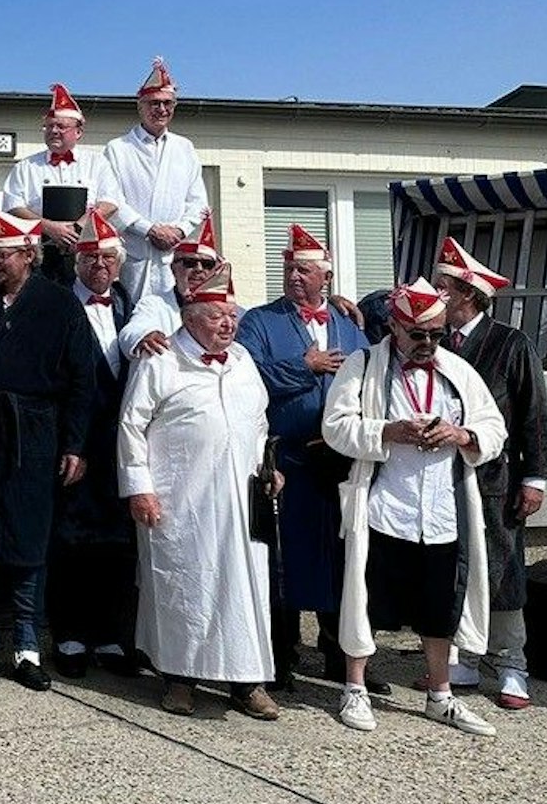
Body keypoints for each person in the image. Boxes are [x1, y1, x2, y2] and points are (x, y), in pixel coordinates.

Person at [323, 278, 508, 737]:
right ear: (394, 327)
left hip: (441, 512)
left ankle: (440, 696)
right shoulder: (362, 364)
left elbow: (494, 427)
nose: (428, 344)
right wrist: (387, 432)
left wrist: (462, 436)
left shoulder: (458, 371)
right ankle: (355, 689)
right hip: (385, 506)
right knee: (365, 601)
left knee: (438, 608)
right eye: (418, 335)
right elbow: (335, 426)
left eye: (437, 334)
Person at [119, 263, 281, 719]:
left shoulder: (244, 362)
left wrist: (269, 464)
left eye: (231, 315)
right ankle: (179, 679)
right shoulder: (162, 360)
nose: (228, 324)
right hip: (182, 499)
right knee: (187, 586)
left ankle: (247, 682)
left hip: (242, 497)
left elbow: (260, 419)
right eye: (216, 316)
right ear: (190, 318)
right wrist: (139, 488)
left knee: (245, 589)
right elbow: (131, 426)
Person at [0, 209, 97, 690]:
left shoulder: (60, 305)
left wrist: (75, 443)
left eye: (4, 255)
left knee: (30, 539)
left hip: (37, 432)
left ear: (29, 256)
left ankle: (28, 645)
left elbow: (83, 379)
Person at [236, 224, 377, 692]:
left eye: (305, 270)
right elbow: (248, 377)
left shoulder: (348, 326)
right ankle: (280, 659)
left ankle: (342, 657)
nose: (295, 277)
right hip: (285, 463)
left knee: (342, 560)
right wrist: (305, 367)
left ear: (326, 276)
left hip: (337, 461)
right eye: (289, 269)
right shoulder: (259, 321)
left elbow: (370, 382)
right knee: (284, 562)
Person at [433, 238, 547, 709]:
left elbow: (534, 414)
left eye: (444, 288)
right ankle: (465, 656)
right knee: (456, 565)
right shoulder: (435, 341)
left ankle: (511, 665)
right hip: (446, 477)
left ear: (468, 295)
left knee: (502, 569)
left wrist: (536, 478)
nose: (436, 295)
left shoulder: (510, 342)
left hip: (497, 479)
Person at [47, 209, 139, 678]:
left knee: (119, 542)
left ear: (119, 264)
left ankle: (112, 637)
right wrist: (71, 443)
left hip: (119, 443)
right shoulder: (58, 303)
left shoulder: (129, 303)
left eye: (107, 258)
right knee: (72, 540)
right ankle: (70, 634)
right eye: (89, 258)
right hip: (77, 442)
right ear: (75, 262)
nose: (98, 266)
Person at [98, 57, 209, 302]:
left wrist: (179, 230)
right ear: (140, 106)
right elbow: (111, 201)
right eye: (154, 103)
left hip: (175, 257)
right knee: (130, 320)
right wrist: (149, 230)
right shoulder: (118, 148)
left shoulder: (185, 148)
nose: (161, 109)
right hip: (133, 256)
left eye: (167, 103)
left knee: (175, 322)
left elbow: (198, 202)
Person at [1, 85, 115, 286]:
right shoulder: (25, 167)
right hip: (40, 254)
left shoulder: (98, 163)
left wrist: (78, 228)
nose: (54, 131)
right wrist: (51, 227)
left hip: (86, 254)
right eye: (49, 126)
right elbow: (13, 207)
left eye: (61, 126)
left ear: (78, 131)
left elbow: (110, 202)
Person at [117, 215, 221, 362]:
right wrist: (144, 335)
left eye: (207, 264)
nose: (199, 269)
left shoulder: (229, 311)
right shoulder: (154, 304)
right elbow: (132, 331)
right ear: (173, 268)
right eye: (189, 262)